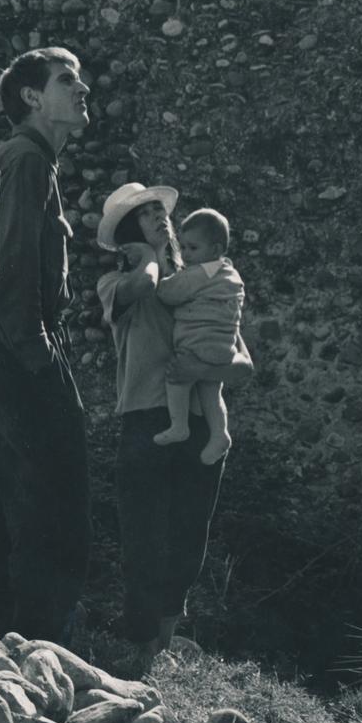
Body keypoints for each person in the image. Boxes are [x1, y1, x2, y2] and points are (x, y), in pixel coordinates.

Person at [0, 46, 92, 645]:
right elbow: (10, 264)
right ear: (33, 98)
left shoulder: (36, 160)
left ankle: (3, 631)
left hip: (7, 341)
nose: (82, 90)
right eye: (69, 80)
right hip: (11, 343)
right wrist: (38, 359)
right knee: (52, 487)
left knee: (14, 485)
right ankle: (39, 640)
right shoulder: (26, 160)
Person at [96, 182, 252, 669]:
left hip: (201, 424)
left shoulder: (206, 286)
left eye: (161, 212)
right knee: (143, 534)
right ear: (128, 233)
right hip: (145, 418)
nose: (161, 218)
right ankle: (141, 642)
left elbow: (243, 365)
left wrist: (199, 372)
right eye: (146, 216)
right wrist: (146, 255)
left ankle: (164, 640)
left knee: (189, 532)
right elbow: (142, 286)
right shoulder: (116, 284)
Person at [153, 208, 246, 465]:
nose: (185, 254)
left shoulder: (200, 273)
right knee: (211, 392)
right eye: (183, 247)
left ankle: (178, 425)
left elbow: (168, 293)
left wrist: (164, 273)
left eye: (193, 248)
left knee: (178, 379)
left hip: (197, 343)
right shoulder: (231, 275)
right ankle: (220, 434)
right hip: (223, 348)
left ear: (215, 250)